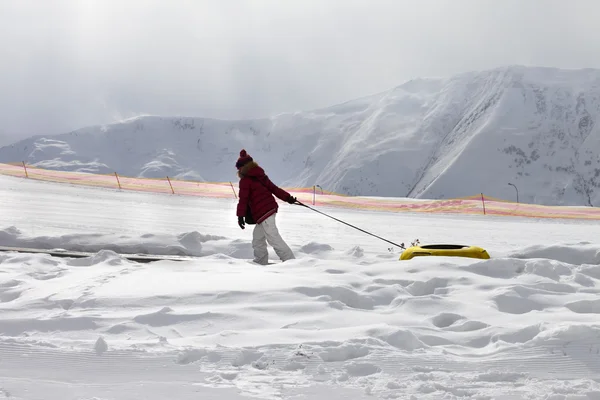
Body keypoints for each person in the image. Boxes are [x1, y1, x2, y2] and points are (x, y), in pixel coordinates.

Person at [235, 149, 297, 265]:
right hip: (267, 211)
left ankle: (290, 262)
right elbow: (273, 188)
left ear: (242, 167)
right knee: (258, 239)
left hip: (264, 212)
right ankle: (260, 261)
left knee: (273, 237)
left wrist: (240, 216)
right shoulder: (259, 175)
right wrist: (288, 198)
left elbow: (243, 200)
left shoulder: (246, 180)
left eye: (239, 169)